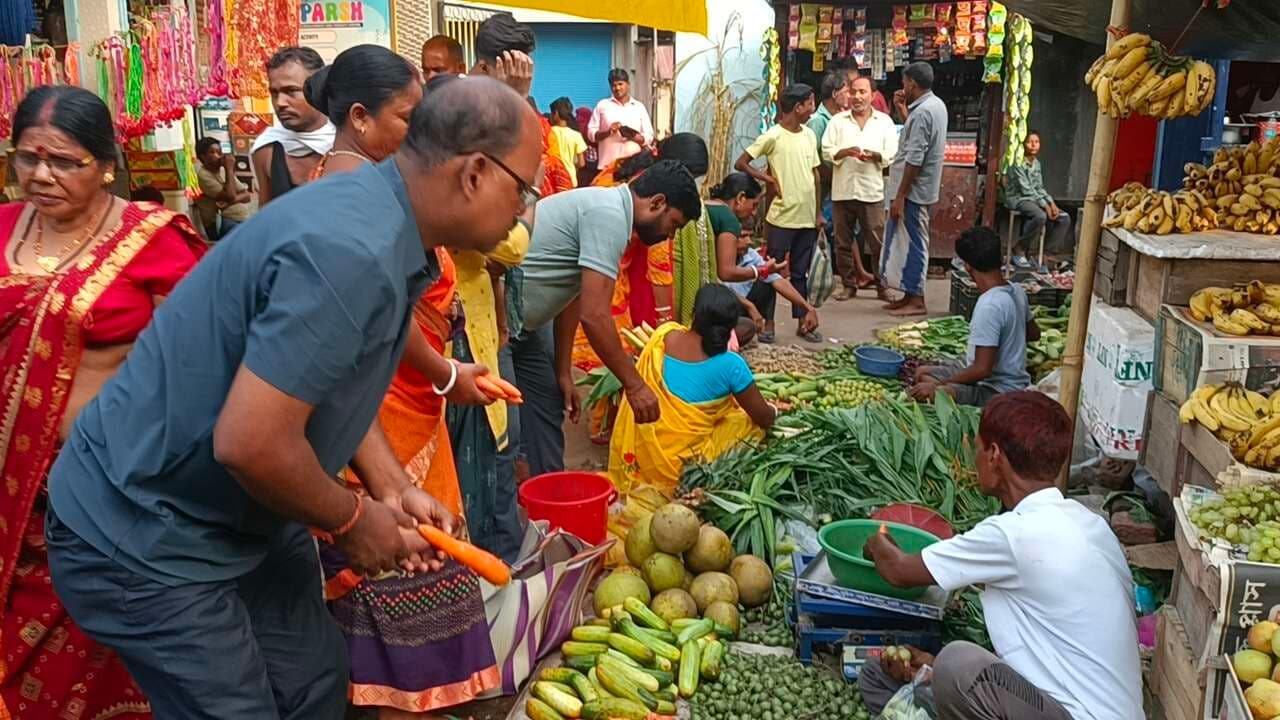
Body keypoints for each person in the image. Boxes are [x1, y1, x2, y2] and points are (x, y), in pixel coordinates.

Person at [44, 77, 544, 719]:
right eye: (523, 190)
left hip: (241, 514)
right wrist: (352, 520)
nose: (523, 210)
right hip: (146, 528)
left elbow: (333, 379)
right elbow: (250, 442)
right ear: (474, 173)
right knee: (237, 708)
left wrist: (391, 487)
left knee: (311, 682)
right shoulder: (349, 249)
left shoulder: (389, 226)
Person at [301, 46, 500, 717]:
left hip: (396, 410)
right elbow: (383, 325)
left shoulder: (365, 189)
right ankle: (401, 700)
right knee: (394, 562)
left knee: (418, 548)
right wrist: (445, 373)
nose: (420, 135)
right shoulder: (355, 206)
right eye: (407, 119)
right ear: (360, 117)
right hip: (379, 410)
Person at [1, 85, 205, 720]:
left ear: (107, 165)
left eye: (64, 161)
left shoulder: (154, 241)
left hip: (105, 498)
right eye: (27, 158)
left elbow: (197, 368)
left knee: (103, 655)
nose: (41, 175)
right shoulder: (3, 228)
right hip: (10, 499)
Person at [860, 391, 1143, 720]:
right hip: (1062, 706)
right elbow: (1042, 656)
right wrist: (931, 669)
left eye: (978, 449)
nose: (975, 460)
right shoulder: (1090, 524)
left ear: (994, 455)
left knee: (957, 664)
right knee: (878, 676)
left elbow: (898, 570)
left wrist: (877, 538)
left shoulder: (1016, 534)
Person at [513, 160, 700, 477]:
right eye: (673, 224)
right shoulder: (609, 215)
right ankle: (507, 501)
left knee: (548, 404)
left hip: (526, 326)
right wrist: (635, 385)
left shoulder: (611, 210)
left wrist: (563, 371)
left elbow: (572, 296)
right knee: (502, 432)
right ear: (657, 203)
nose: (669, 235)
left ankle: (550, 491)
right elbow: (595, 315)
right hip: (500, 323)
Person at [608, 284, 774, 511]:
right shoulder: (732, 365)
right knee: (746, 423)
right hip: (687, 468)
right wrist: (773, 410)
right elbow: (763, 418)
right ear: (731, 326)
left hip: (647, 454)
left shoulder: (664, 336)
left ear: (694, 314)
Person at [574, 132, 709, 370]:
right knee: (609, 358)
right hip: (605, 279)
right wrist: (665, 327)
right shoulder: (657, 201)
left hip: (583, 272)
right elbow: (659, 268)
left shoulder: (624, 170)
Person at [735, 83, 824, 343]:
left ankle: (803, 322)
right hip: (781, 217)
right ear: (797, 107)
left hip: (806, 216)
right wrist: (766, 178)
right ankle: (769, 322)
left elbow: (815, 175)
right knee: (770, 272)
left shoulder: (809, 135)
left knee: (800, 273)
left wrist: (817, 211)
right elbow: (741, 162)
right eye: (809, 103)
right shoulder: (772, 136)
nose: (812, 109)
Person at [908, 227, 1037, 406]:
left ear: (967, 266)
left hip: (997, 391)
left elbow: (982, 370)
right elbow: (1034, 334)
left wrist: (939, 385)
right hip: (1012, 380)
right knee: (922, 372)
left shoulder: (990, 305)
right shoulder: (1017, 291)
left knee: (928, 388)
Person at [708, 172, 818, 344]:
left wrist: (807, 307)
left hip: (733, 303)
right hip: (720, 305)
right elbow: (725, 274)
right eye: (754, 205)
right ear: (741, 198)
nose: (753, 212)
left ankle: (767, 324)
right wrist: (760, 272)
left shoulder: (709, 212)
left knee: (768, 283)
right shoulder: (726, 219)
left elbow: (778, 281)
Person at [823, 73, 898, 301]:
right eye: (853, 92)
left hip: (871, 191)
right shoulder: (837, 121)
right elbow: (826, 150)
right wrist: (844, 152)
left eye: (862, 92)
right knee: (842, 242)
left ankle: (882, 285)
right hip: (843, 190)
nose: (857, 97)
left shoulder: (884, 122)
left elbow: (892, 152)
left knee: (877, 242)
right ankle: (848, 284)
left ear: (872, 95)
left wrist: (877, 156)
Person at [881, 61, 947, 317]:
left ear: (912, 84)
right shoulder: (934, 106)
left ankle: (917, 299)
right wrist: (902, 110)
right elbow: (916, 137)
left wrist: (900, 196)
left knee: (915, 243)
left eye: (905, 82)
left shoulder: (923, 112)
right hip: (919, 189)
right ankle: (909, 294)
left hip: (914, 192)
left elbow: (915, 157)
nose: (903, 86)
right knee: (908, 242)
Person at [250, 46, 333, 205]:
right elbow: (266, 212)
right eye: (274, 93)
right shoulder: (266, 149)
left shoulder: (346, 143)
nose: (280, 103)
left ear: (318, 89)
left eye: (291, 91)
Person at [1005, 131, 1072, 268]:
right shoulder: (1017, 162)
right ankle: (1019, 248)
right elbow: (1026, 190)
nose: (1034, 145)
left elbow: (1039, 187)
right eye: (1030, 142)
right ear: (1023, 144)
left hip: (1034, 199)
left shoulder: (1037, 163)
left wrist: (1051, 203)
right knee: (1040, 216)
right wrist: (1045, 206)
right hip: (1019, 198)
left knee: (1064, 218)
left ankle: (1045, 254)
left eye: (1037, 142)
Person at [589, 68, 655, 169]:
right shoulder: (602, 105)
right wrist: (608, 132)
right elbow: (591, 134)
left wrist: (634, 136)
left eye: (620, 84)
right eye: (614, 85)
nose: (617, 88)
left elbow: (649, 135)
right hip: (608, 166)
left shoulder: (639, 107)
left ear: (628, 85)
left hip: (634, 167)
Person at [194, 137, 252, 241]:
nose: (219, 156)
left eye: (219, 152)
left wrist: (229, 202)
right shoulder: (203, 175)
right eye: (213, 152)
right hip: (222, 222)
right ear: (203, 157)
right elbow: (230, 195)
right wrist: (229, 169)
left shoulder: (222, 171)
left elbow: (247, 196)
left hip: (241, 218)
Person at [549, 97, 588, 186]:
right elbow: (581, 163)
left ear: (556, 113)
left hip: (554, 179)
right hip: (570, 179)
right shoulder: (576, 135)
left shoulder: (549, 132)